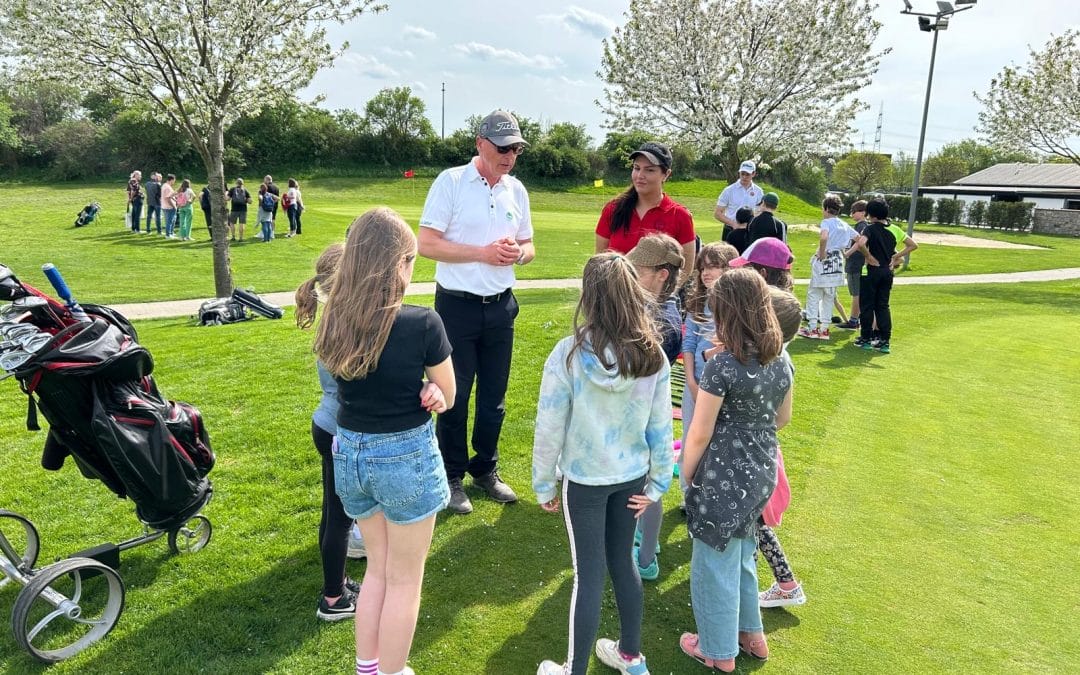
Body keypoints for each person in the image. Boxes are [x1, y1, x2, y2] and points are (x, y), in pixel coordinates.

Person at [314, 207, 455, 675]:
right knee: (403, 579)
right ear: (398, 264)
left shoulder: (334, 317)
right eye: (411, 259)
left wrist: (429, 391)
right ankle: (390, 672)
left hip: (350, 454)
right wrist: (435, 390)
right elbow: (450, 394)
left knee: (378, 569)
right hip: (404, 459)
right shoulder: (422, 323)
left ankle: (369, 669)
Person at [533, 253, 673, 675]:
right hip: (631, 479)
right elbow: (661, 427)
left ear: (588, 297)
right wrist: (657, 484)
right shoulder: (653, 356)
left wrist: (544, 484)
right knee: (622, 564)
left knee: (588, 576)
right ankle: (631, 656)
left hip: (588, 482)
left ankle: (574, 669)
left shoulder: (569, 354)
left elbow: (548, 425)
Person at [417, 109, 536, 515]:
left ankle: (486, 468)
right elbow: (427, 243)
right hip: (456, 307)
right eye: (503, 148)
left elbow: (530, 246)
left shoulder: (516, 190)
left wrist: (518, 254)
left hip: (501, 306)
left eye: (516, 148)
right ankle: (451, 477)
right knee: (453, 394)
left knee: (494, 398)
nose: (510, 156)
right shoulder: (450, 181)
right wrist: (482, 254)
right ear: (480, 144)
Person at [679, 268, 794, 673]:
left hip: (721, 472)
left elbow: (698, 433)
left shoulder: (722, 366)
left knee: (713, 563)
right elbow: (782, 418)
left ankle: (717, 651)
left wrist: (687, 473)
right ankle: (752, 636)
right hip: (763, 468)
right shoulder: (780, 359)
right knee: (743, 553)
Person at [295, 243, 365, 622]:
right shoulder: (344, 324)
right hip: (340, 431)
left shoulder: (331, 317)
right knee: (338, 518)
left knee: (331, 513)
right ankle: (334, 599)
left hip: (326, 425)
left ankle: (336, 582)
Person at [756, 287, 808, 610]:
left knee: (757, 523)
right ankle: (787, 583)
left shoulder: (777, 362)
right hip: (764, 449)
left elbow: (782, 417)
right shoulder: (781, 359)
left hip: (758, 451)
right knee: (756, 523)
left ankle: (787, 584)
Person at [595, 141, 696, 283]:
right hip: (615, 298)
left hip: (659, 302)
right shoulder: (613, 209)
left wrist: (662, 297)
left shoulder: (680, 215)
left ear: (666, 174)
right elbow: (601, 259)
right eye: (636, 168)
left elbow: (686, 269)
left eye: (649, 170)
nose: (640, 175)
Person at [851, 199, 918, 354]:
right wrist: (895, 257)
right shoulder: (894, 229)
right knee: (883, 305)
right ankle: (884, 340)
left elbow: (861, 244)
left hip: (871, 271)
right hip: (887, 272)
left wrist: (868, 257)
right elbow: (913, 245)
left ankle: (866, 338)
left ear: (871, 214)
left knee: (867, 305)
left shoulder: (870, 228)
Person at [798, 194, 856, 341]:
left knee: (814, 293)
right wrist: (848, 253)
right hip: (837, 261)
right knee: (829, 295)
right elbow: (860, 239)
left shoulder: (827, 222)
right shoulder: (844, 224)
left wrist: (822, 253)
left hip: (825, 259)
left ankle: (812, 327)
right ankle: (824, 329)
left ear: (825, 208)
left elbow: (824, 237)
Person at [625, 233, 685, 364]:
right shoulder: (641, 305)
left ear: (662, 275)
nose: (630, 276)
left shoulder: (664, 325)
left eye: (638, 272)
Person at [714, 160, 764, 241]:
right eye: (742, 174)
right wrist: (733, 224)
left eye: (747, 174)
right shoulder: (729, 190)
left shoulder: (758, 191)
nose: (744, 177)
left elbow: (760, 211)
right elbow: (717, 213)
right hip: (730, 229)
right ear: (739, 173)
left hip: (749, 231)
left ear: (753, 174)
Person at [839, 200, 869, 330]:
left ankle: (853, 320)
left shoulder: (862, 226)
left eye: (854, 211)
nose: (852, 214)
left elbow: (859, 242)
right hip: (855, 263)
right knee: (856, 293)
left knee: (856, 294)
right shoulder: (860, 225)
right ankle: (856, 319)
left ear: (863, 213)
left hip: (856, 263)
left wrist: (847, 253)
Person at [730, 237, 795, 292]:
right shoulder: (789, 304)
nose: (742, 276)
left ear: (762, 274)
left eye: (745, 271)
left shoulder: (755, 305)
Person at [161, 174, 178, 239]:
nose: (174, 182)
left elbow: (170, 196)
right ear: (172, 180)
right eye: (174, 181)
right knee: (169, 221)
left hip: (165, 206)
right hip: (169, 207)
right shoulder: (167, 187)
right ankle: (168, 235)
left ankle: (171, 233)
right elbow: (168, 198)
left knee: (171, 220)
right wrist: (174, 206)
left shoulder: (164, 185)